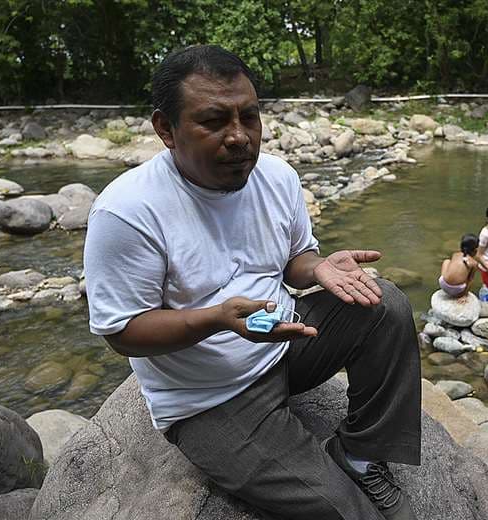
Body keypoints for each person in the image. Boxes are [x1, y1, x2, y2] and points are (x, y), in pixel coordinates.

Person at [83, 45, 420, 520]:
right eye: (214, 121)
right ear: (165, 129)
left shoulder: (277, 176)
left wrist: (317, 268)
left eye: (250, 117)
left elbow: (293, 260)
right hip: (208, 398)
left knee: (384, 304)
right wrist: (218, 320)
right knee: (344, 512)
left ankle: (361, 453)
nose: (239, 137)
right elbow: (123, 333)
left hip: (285, 343)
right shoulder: (127, 212)